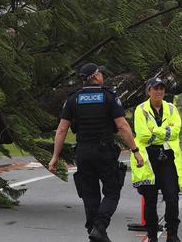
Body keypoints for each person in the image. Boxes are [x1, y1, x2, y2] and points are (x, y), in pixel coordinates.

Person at [49, 63, 144, 242]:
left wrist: (55, 157)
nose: (102, 76)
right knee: (112, 191)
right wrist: (135, 151)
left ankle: (95, 232)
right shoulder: (109, 97)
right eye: (100, 73)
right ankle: (99, 226)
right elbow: (122, 126)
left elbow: (61, 130)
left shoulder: (73, 99)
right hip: (104, 151)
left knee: (89, 194)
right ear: (95, 76)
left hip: (83, 153)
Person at [131, 77, 182, 242]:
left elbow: (176, 131)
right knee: (150, 200)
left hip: (168, 158)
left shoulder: (171, 108)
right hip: (148, 159)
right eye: (155, 88)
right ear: (148, 91)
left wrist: (155, 131)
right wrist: (164, 132)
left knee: (172, 197)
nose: (159, 91)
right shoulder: (141, 110)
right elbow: (143, 135)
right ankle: (152, 236)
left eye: (162, 89)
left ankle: (172, 234)